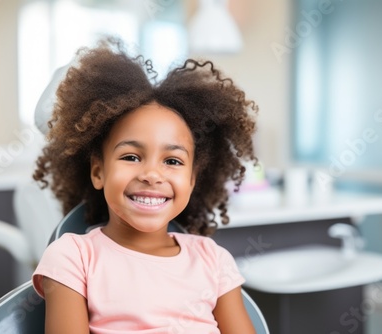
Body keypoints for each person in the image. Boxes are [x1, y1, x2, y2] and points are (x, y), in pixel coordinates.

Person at [32, 38, 259, 334]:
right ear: (98, 171)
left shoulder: (213, 260)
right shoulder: (73, 257)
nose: (152, 174)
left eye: (173, 161)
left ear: (192, 180)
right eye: (131, 156)